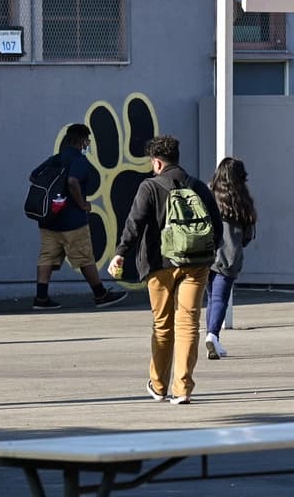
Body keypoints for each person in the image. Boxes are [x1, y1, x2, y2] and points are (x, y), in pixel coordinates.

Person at [108, 135, 222, 405]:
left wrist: (121, 253)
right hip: (195, 264)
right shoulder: (197, 186)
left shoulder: (149, 187)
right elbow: (216, 226)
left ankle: (158, 386)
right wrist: (207, 253)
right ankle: (182, 389)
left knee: (162, 325)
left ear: (157, 162)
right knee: (189, 325)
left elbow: (134, 223)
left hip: (158, 265)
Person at [31, 123, 126, 310]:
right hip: (73, 221)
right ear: (82, 140)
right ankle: (100, 294)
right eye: (87, 140)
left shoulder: (55, 159)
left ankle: (41, 298)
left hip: (49, 219)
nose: (88, 143)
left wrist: (53, 195)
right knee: (84, 257)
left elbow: (34, 176)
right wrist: (82, 204)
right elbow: (73, 181)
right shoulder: (79, 161)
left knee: (47, 257)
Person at [204, 156, 256, 360]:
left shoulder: (207, 193)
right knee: (220, 299)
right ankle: (212, 335)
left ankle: (212, 336)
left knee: (211, 298)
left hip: (206, 253)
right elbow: (248, 235)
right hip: (229, 256)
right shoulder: (241, 200)